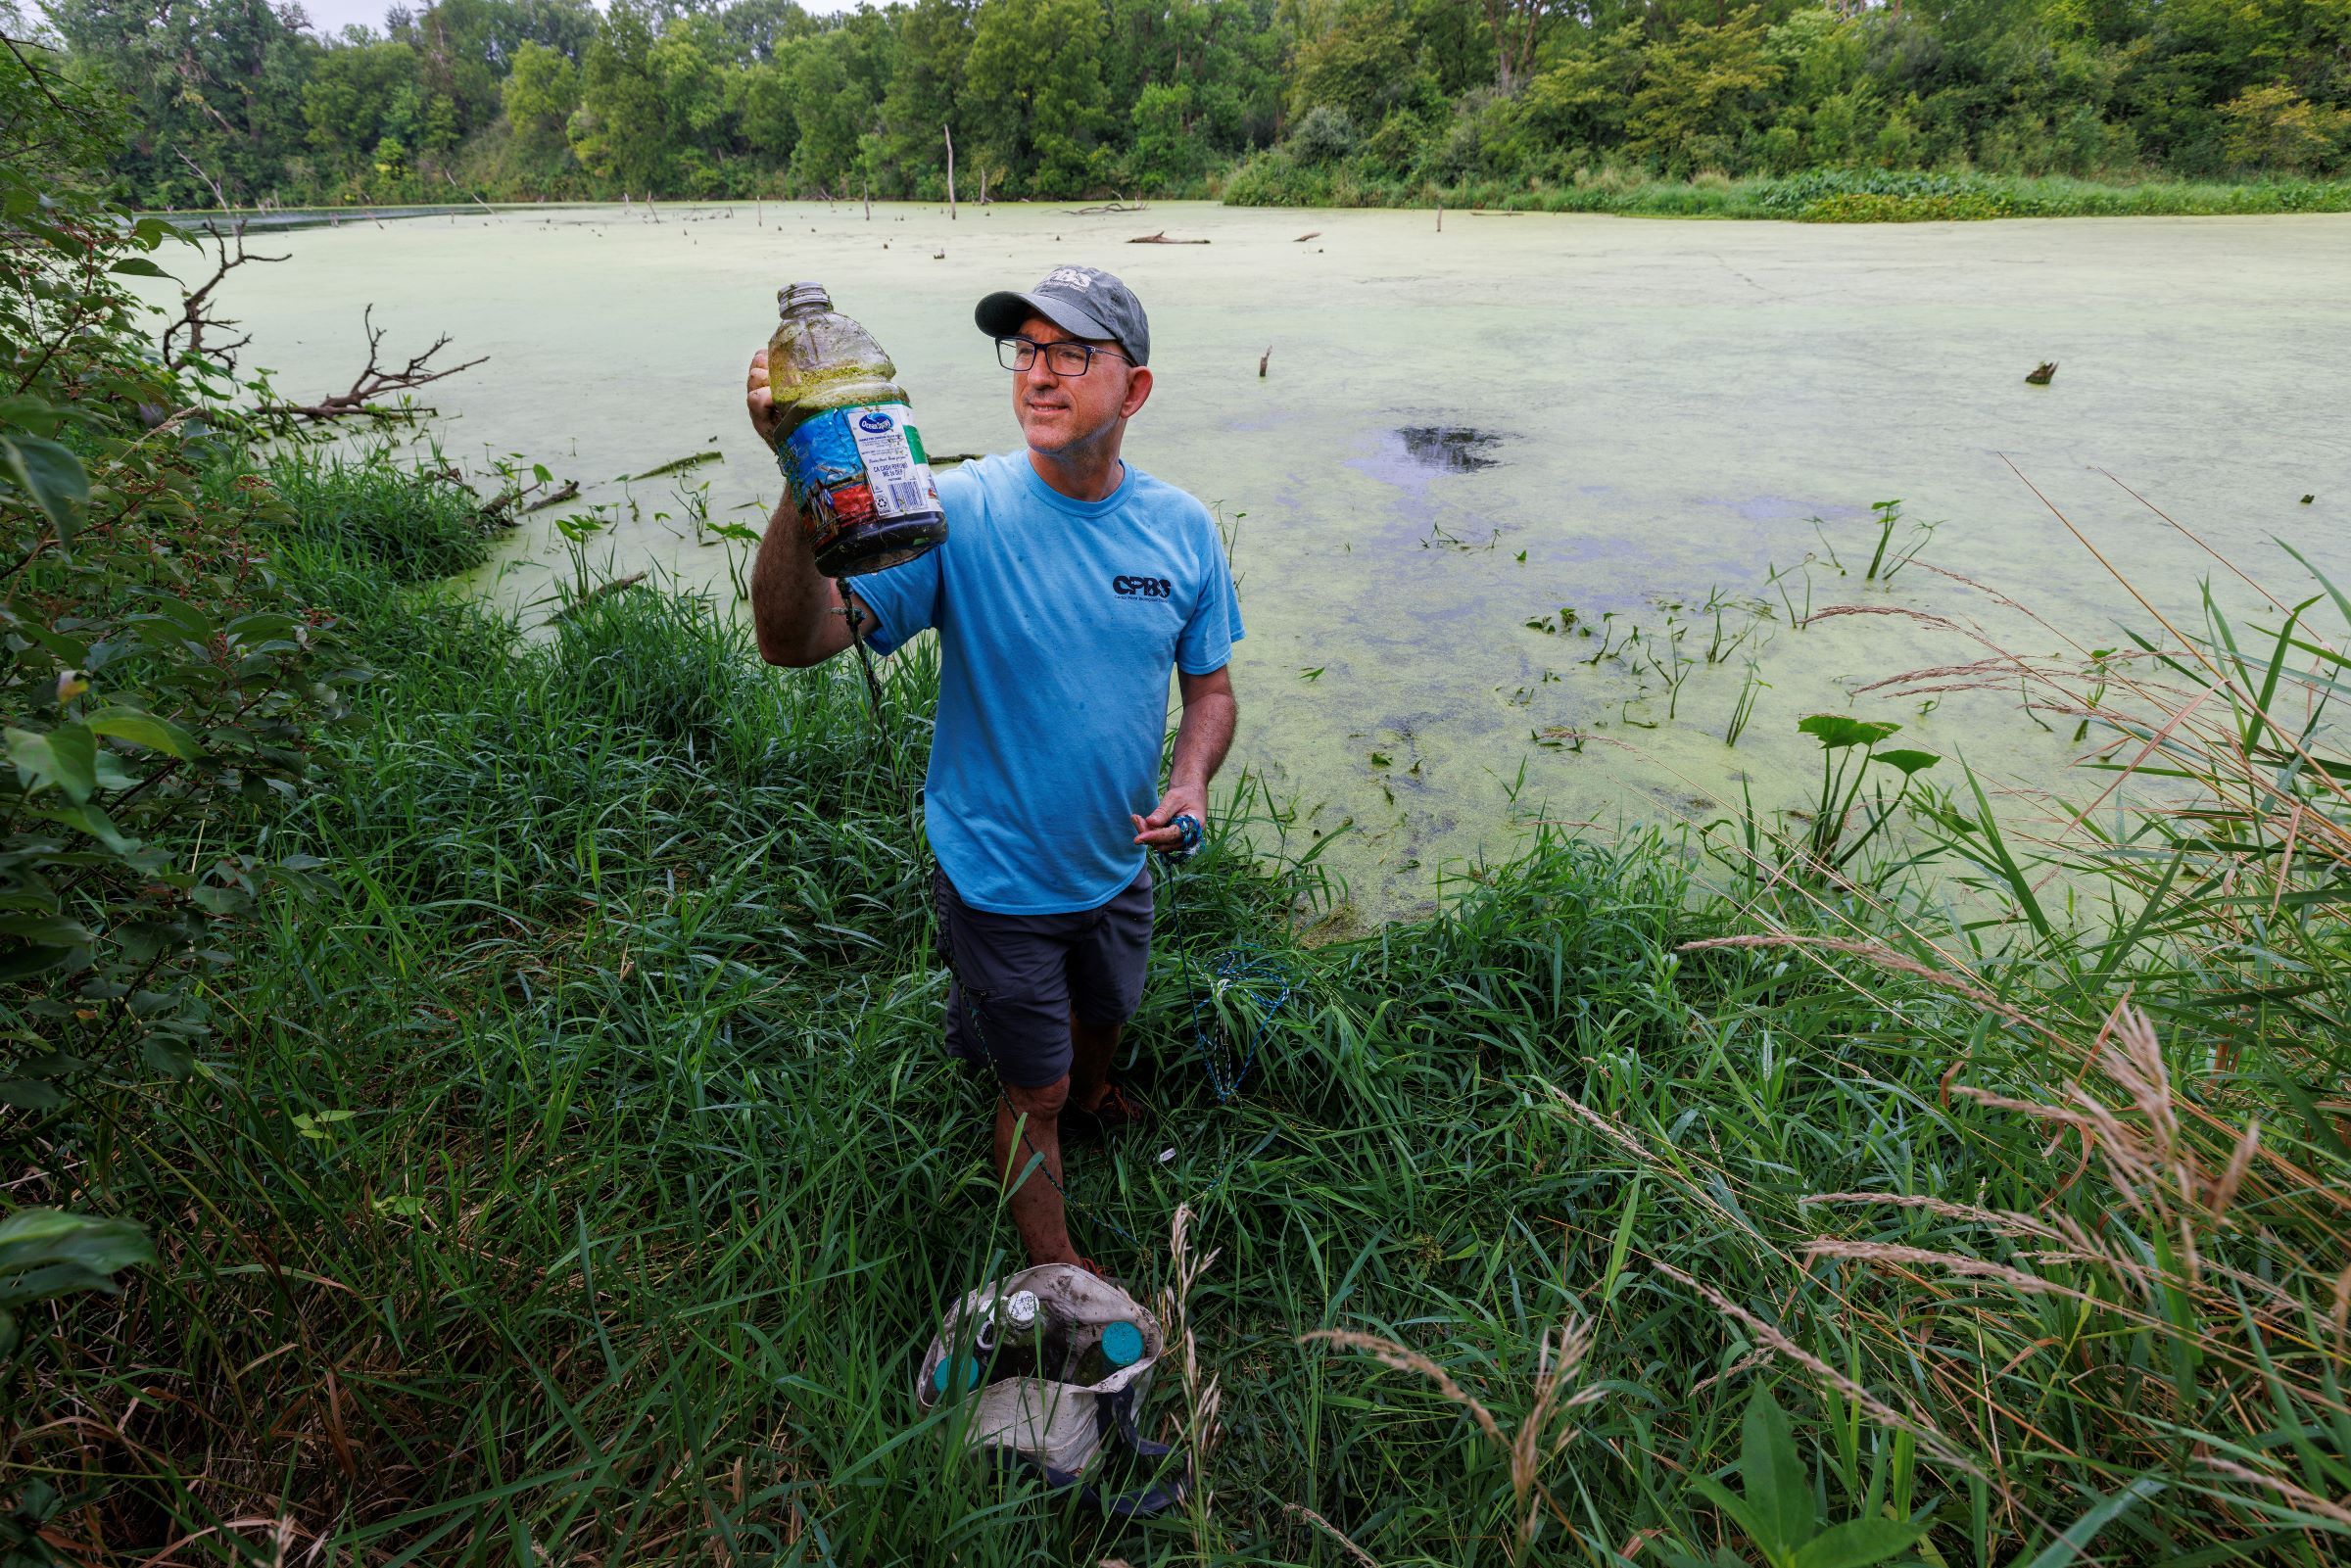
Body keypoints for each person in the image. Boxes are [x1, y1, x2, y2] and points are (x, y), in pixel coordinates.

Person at [742, 265, 1243, 1268]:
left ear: (1133, 389)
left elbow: (1212, 694)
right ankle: (1055, 1261)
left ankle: (1093, 1089)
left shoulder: (1182, 529)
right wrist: (801, 470)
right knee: (1035, 1090)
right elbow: (794, 640)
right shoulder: (950, 509)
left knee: (1105, 1018)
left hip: (1117, 863)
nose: (1040, 375)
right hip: (1000, 876)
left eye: (1071, 353)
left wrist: (1188, 783)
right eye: (1027, 350)